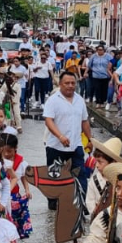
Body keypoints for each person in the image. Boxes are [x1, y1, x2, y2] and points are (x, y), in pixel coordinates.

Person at [43, 71, 91, 202]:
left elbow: (85, 121)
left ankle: (81, 201)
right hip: (55, 146)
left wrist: (90, 139)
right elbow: (48, 121)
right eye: (67, 83)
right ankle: (53, 203)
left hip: (76, 145)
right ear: (60, 84)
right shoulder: (53, 100)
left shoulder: (80, 100)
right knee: (54, 175)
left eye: (73, 83)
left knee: (81, 174)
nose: (70, 86)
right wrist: (60, 136)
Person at [88, 44, 113, 108]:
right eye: (98, 50)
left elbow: (113, 62)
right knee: (97, 89)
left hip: (105, 76)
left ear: (104, 50)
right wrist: (94, 70)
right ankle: (98, 102)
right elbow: (89, 65)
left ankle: (102, 101)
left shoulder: (108, 56)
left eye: (101, 50)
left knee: (104, 89)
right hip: (96, 75)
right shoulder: (93, 56)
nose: (100, 51)